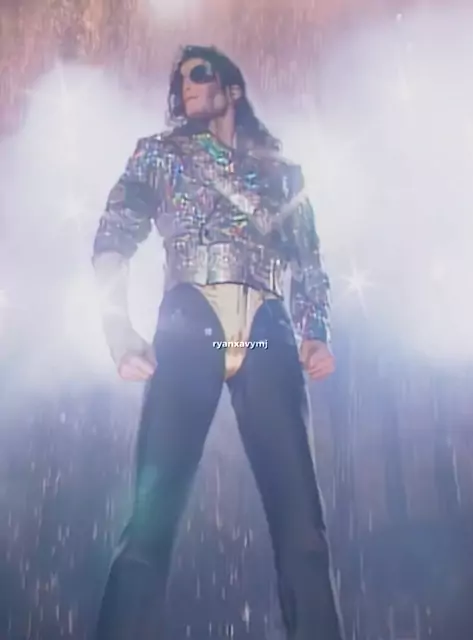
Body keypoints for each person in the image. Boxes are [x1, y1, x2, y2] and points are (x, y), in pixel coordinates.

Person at [92, 45, 344, 640]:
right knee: (150, 522)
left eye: (200, 74)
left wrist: (315, 331)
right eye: (179, 80)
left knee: (303, 529)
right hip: (192, 323)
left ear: (232, 89)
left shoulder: (282, 172)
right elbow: (112, 238)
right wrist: (117, 330)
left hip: (266, 329)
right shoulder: (159, 155)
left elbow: (309, 261)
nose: (186, 86)